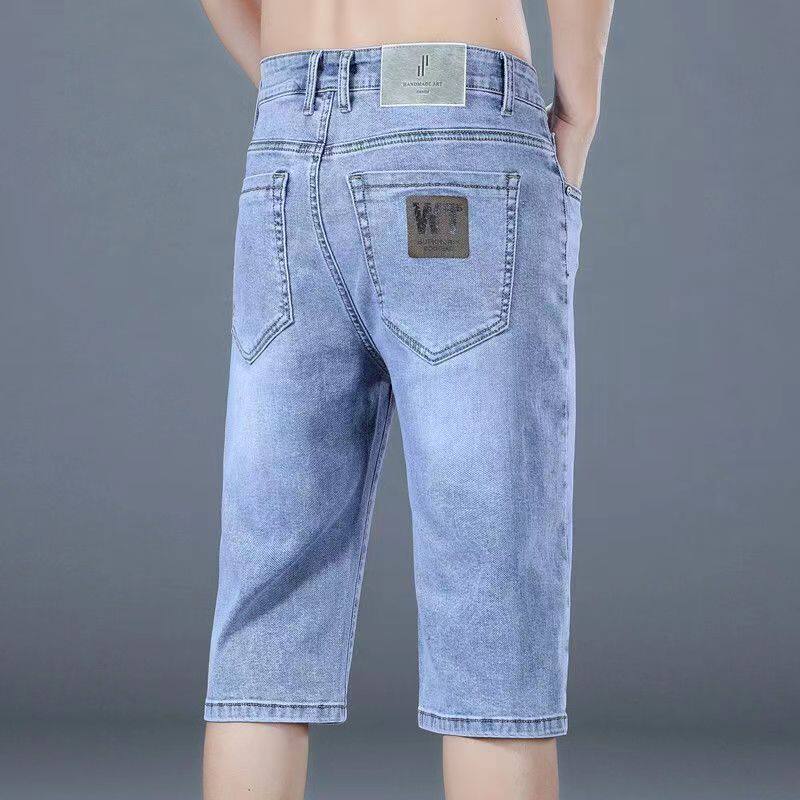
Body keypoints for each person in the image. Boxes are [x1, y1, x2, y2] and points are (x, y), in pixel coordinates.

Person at [198, 1, 614, 798]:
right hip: (455, 124)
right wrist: (580, 111)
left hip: (289, 138)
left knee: (265, 619)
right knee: (492, 602)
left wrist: (302, 97)